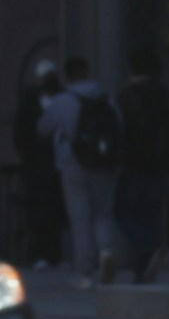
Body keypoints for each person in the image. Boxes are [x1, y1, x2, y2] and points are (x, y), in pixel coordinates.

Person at [39, 56, 122, 285]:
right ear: (87, 71)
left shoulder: (63, 101)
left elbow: (42, 128)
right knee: (102, 212)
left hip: (72, 162)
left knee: (80, 217)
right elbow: (119, 127)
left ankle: (85, 269)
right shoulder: (107, 99)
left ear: (68, 76)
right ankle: (106, 251)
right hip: (104, 162)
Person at [112, 49, 169, 283]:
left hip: (133, 163)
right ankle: (143, 269)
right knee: (150, 215)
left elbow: (118, 130)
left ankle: (146, 251)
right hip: (160, 164)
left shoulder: (126, 96)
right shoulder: (168, 97)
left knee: (123, 212)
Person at [12, 57, 66, 275]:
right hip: (37, 165)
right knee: (38, 212)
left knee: (55, 212)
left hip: (55, 165)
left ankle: (53, 253)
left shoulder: (62, 98)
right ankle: (40, 254)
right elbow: (22, 134)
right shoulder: (30, 101)